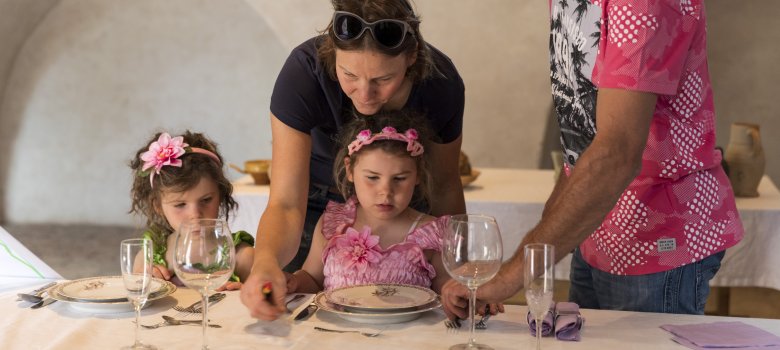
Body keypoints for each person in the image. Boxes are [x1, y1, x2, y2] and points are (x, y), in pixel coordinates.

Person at [442, 0, 744, 317]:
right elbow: (583, 136)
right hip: (597, 229)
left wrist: (510, 276)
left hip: (658, 239)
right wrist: (539, 247)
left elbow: (617, 153)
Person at [241, 0, 466, 320]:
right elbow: (287, 203)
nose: (364, 93)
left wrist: (462, 275)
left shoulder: (441, 85)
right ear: (333, 54)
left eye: (383, 79)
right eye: (349, 75)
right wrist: (265, 263)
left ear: (411, 59)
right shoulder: (304, 73)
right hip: (316, 201)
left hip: (403, 204)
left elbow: (444, 187)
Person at [285, 112, 451, 294]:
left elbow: (447, 289)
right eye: (372, 177)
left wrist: (455, 294)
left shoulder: (432, 235)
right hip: (339, 322)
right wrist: (294, 282)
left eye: (400, 178)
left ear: (418, 174)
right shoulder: (334, 224)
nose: (386, 191)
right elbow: (313, 279)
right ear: (349, 170)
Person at [129, 131, 255, 291]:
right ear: (158, 206)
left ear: (221, 196)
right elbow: (136, 307)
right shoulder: (150, 256)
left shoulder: (241, 257)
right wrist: (143, 283)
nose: (195, 214)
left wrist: (245, 295)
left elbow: (269, 299)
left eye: (206, 200)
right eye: (180, 204)